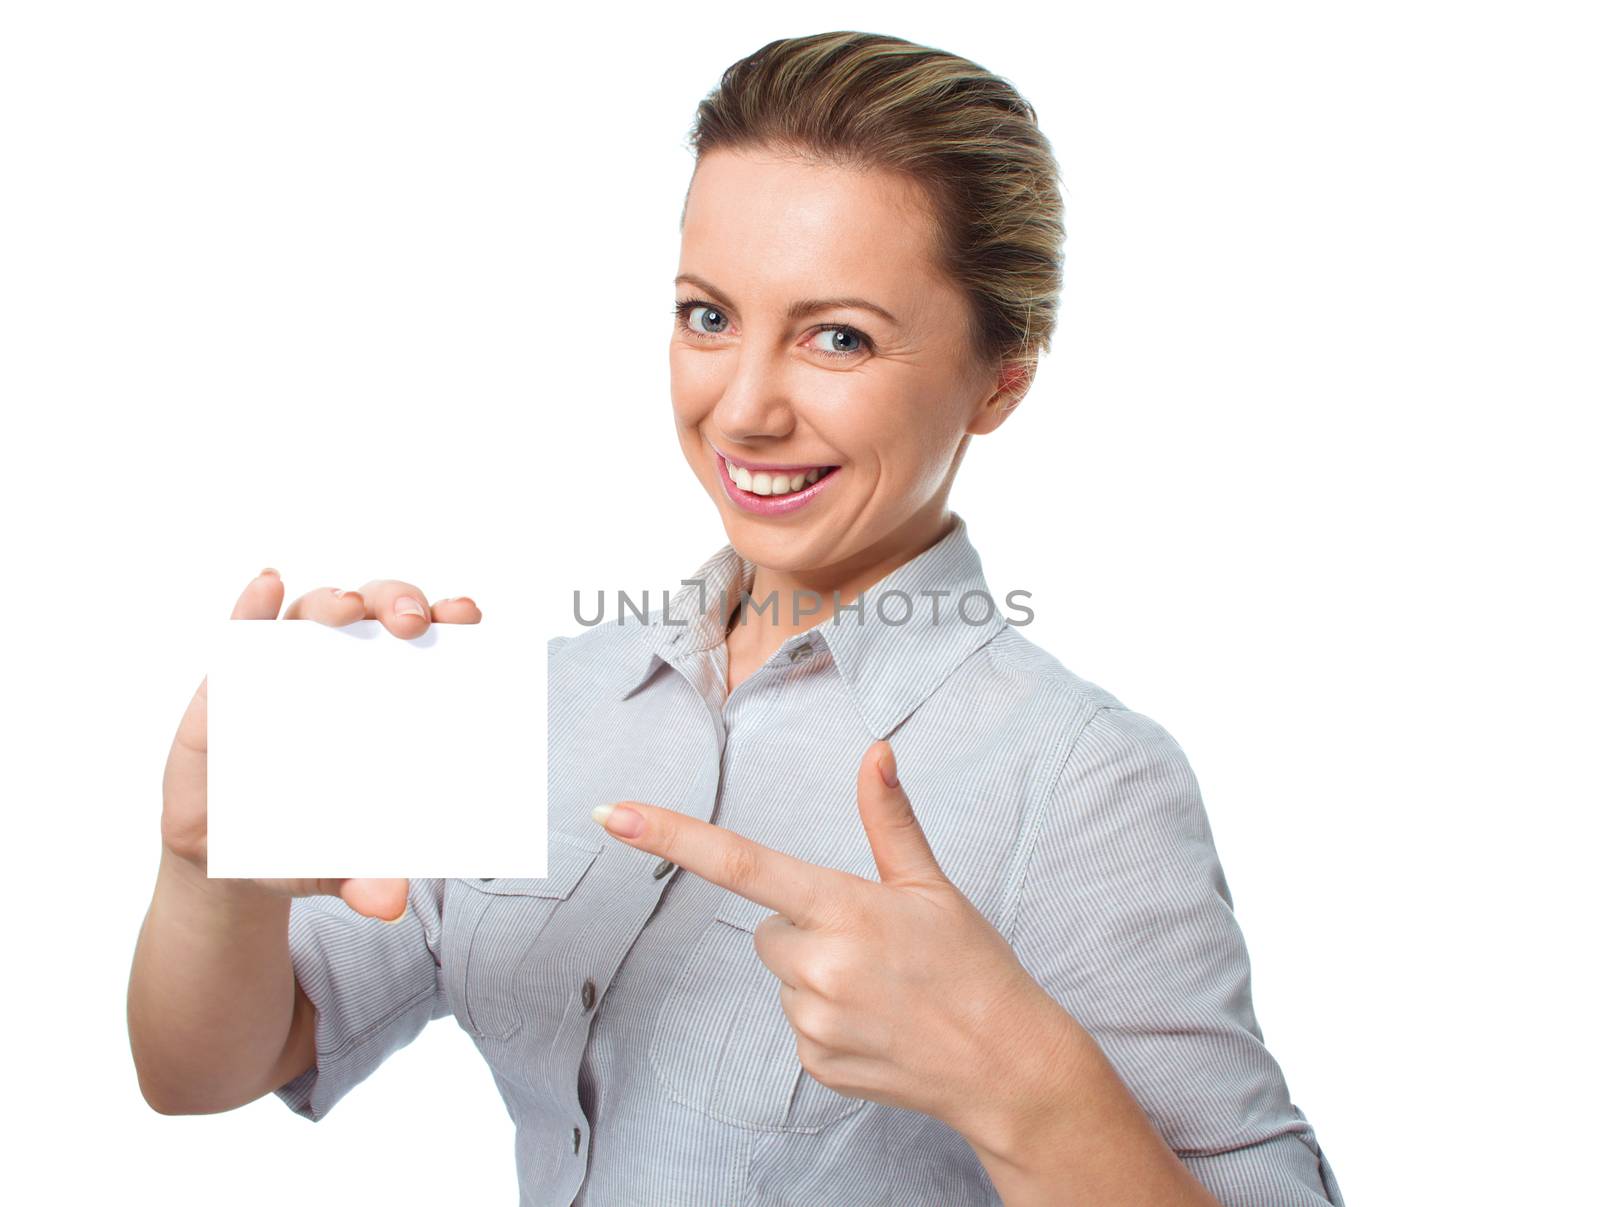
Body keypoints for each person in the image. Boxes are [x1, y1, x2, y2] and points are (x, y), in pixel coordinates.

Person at [129, 30, 1344, 1207]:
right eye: (707, 315)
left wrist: (1022, 1082)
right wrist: (211, 874)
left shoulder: (1080, 784)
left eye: (837, 337)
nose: (745, 408)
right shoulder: (546, 701)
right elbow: (216, 1068)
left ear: (1001, 376)